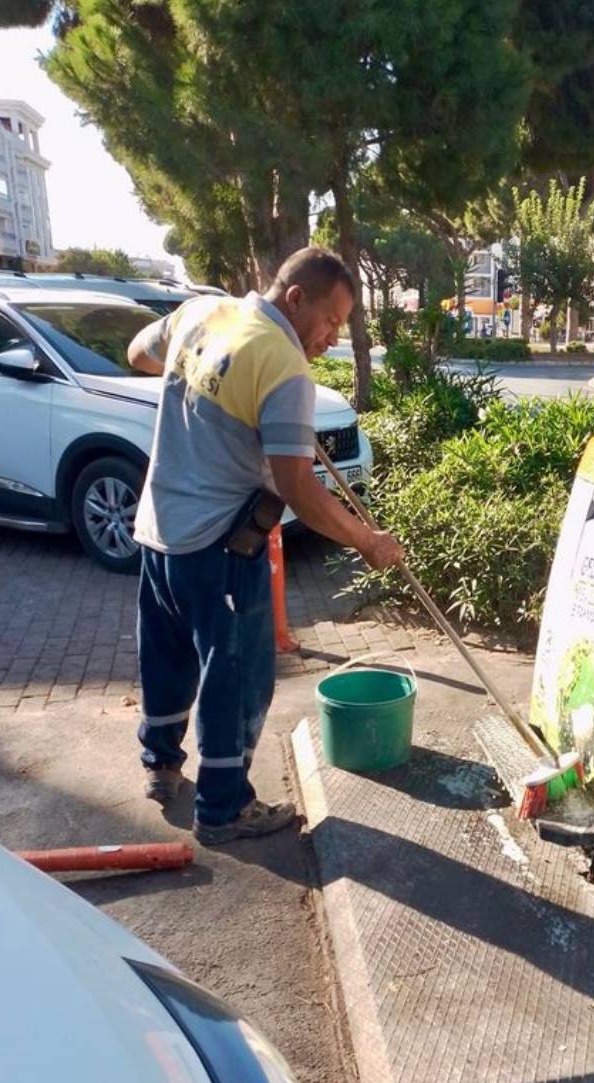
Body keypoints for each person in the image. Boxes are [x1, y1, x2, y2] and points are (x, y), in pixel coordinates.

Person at [126, 247, 402, 845]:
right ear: (295, 297)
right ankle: (223, 808)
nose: (330, 338)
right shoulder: (283, 366)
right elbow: (300, 490)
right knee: (238, 675)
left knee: (166, 654)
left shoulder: (203, 314)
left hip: (158, 531)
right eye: (329, 321)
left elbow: (138, 353)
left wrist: (204, 380)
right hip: (219, 549)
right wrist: (368, 542)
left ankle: (161, 765)